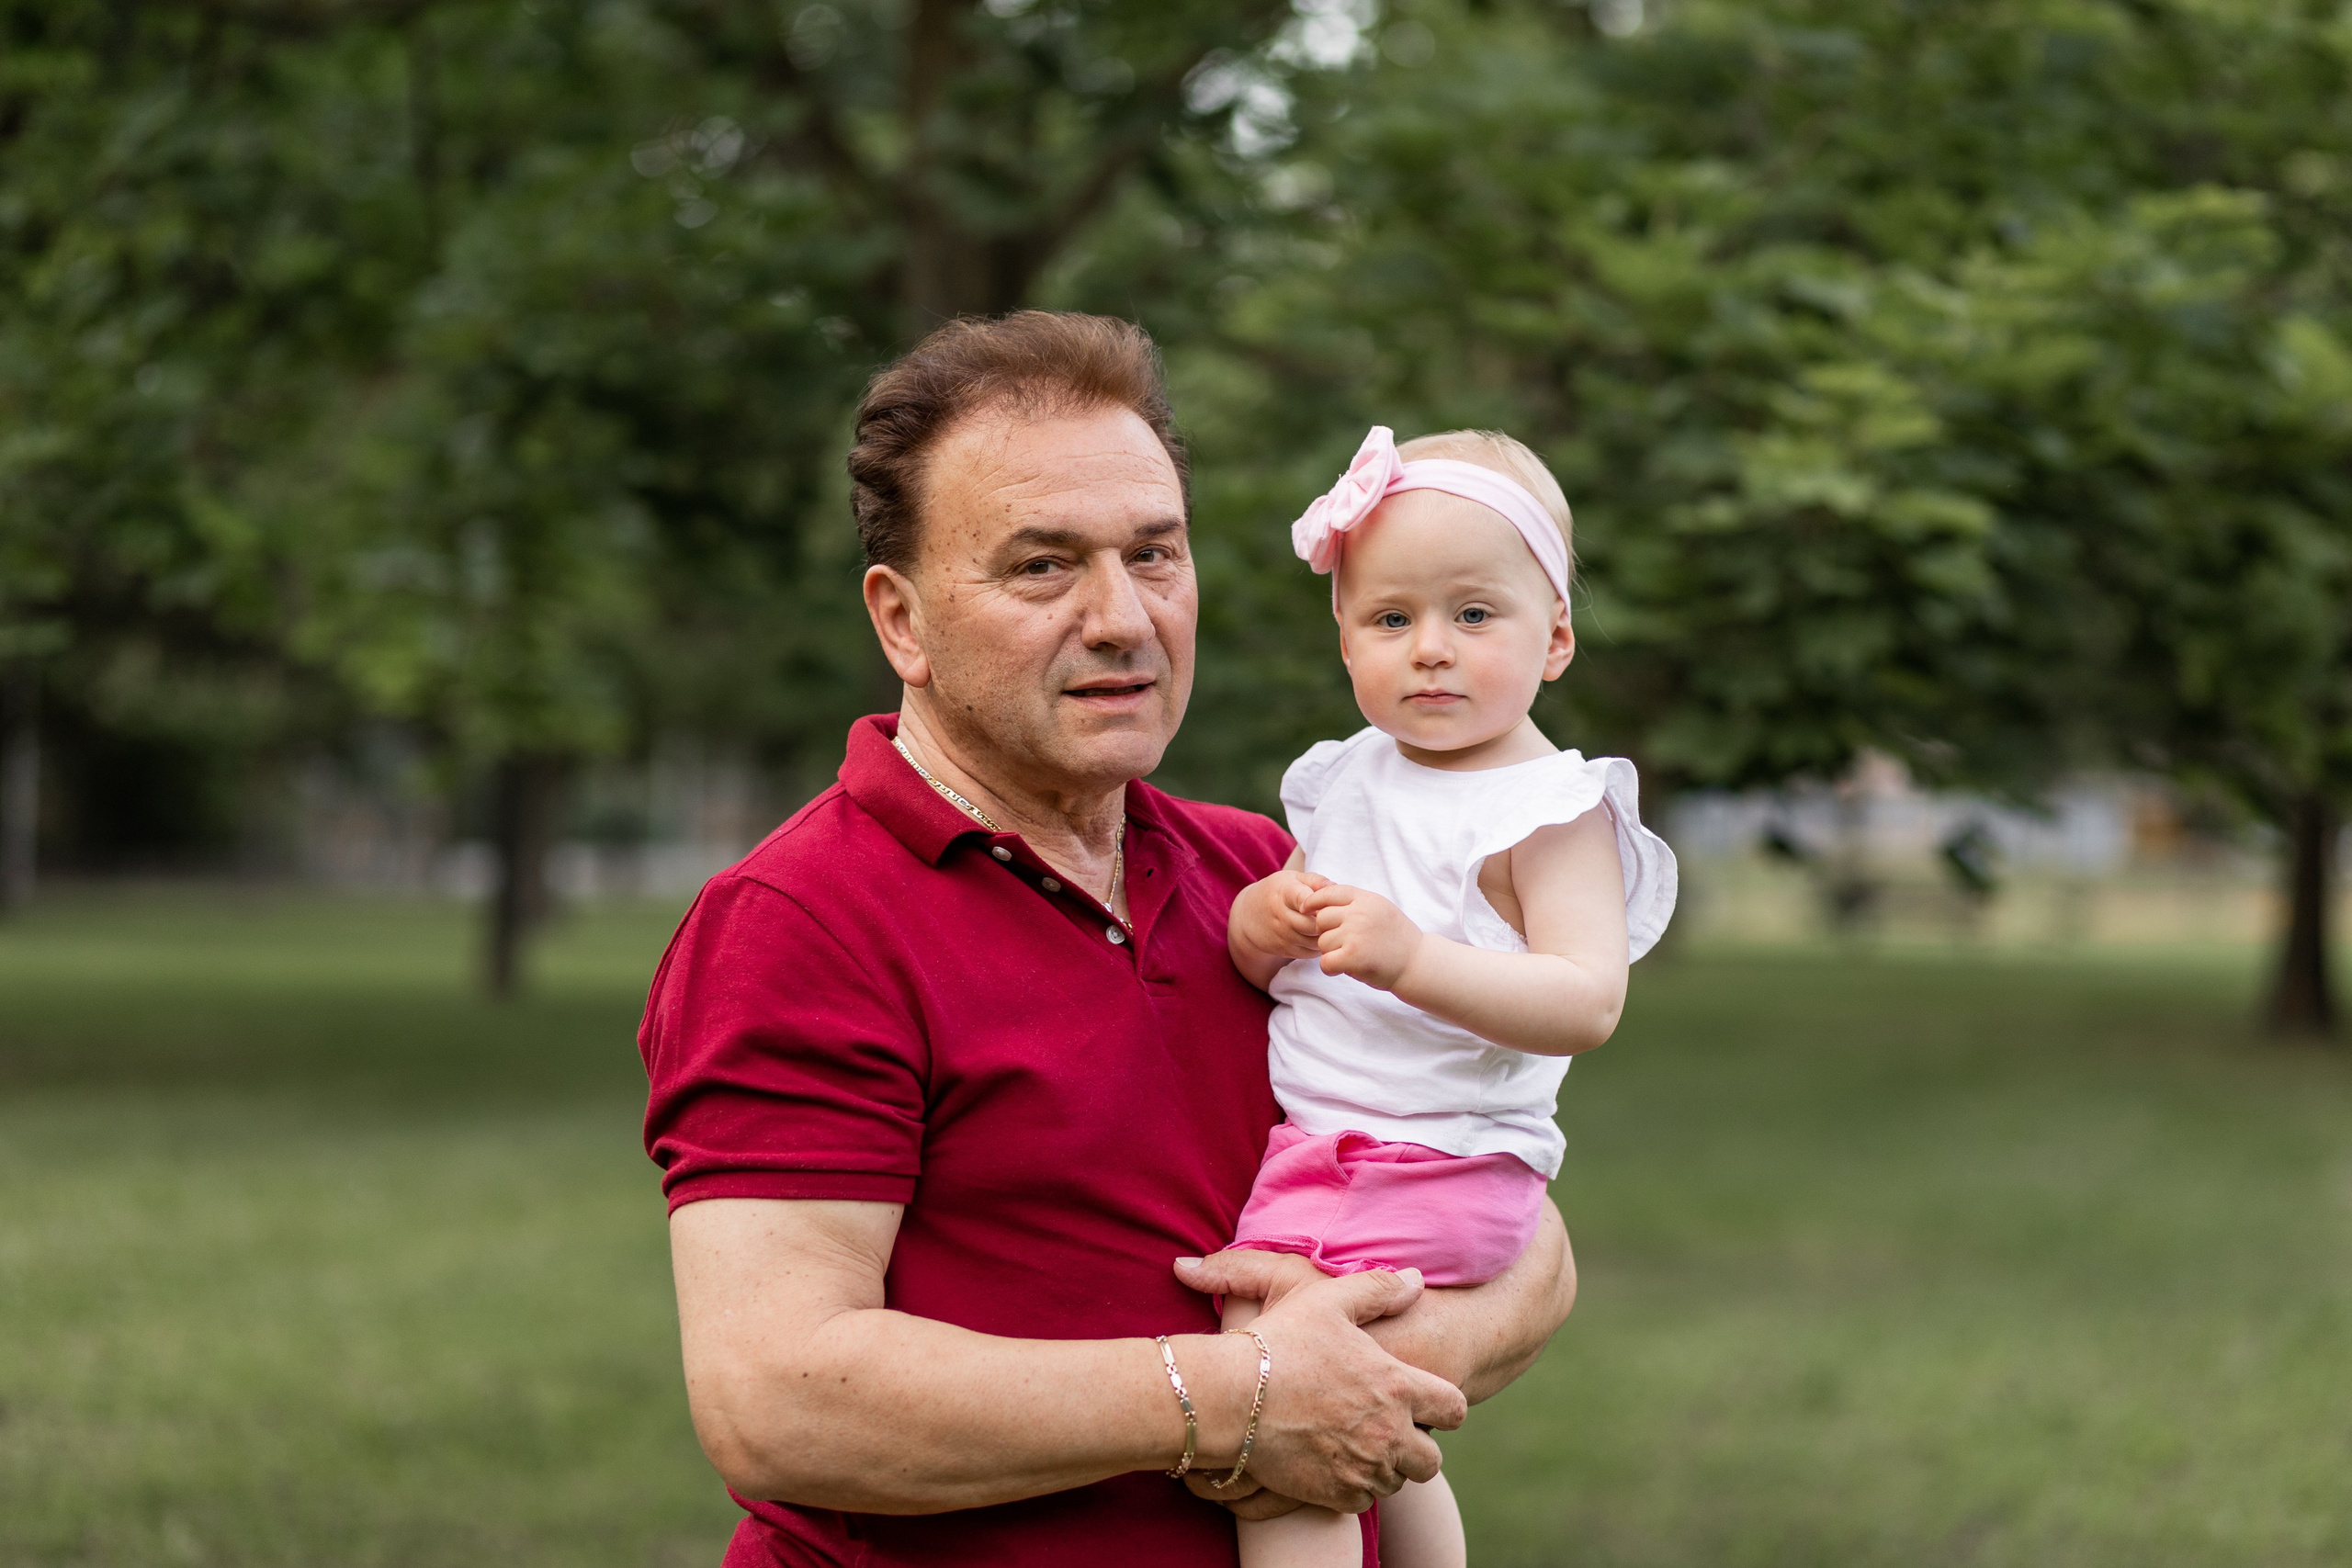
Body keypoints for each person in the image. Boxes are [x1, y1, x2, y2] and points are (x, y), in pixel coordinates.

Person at [638, 313, 1580, 1566]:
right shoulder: (802, 922)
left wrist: (1363, 1368)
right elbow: (782, 1396)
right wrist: (1238, 1396)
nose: (1123, 616)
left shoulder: (1272, 881)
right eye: (1042, 565)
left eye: (1154, 553)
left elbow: (1529, 1234)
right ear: (902, 620)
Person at [1222, 426, 1678, 1568]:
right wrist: (1260, 926)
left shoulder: (1546, 810)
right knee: (1364, 1409)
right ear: (1343, 639)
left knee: (1265, 1402)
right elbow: (1271, 956)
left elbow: (1585, 1001)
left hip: (1441, 1163)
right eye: (1390, 619)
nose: (1429, 650)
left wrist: (1412, 957)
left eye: (1473, 615)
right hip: (1329, 1155)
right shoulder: (1349, 778)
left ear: (1555, 637)